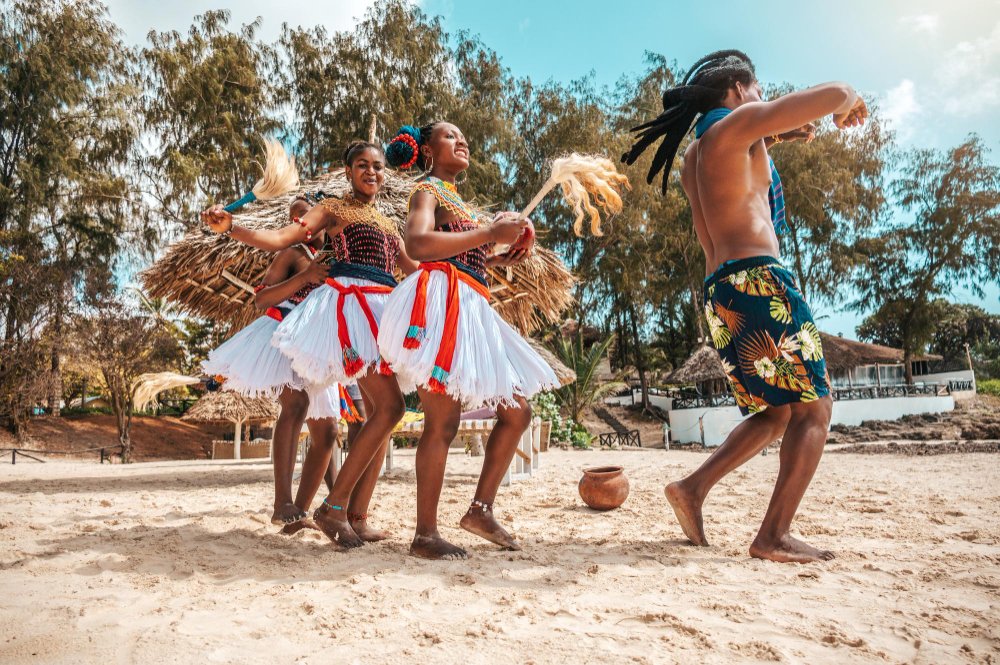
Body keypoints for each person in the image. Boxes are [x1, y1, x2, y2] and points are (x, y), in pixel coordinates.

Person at [622, 50, 867, 563]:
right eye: (758, 91)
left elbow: (736, 173)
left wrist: (775, 136)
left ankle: (691, 489)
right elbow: (834, 94)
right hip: (760, 280)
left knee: (776, 412)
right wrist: (849, 99)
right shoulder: (738, 124)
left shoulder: (698, 153)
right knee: (816, 408)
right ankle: (773, 536)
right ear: (737, 89)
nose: (761, 100)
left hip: (723, 291)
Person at [202, 142, 414, 547]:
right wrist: (232, 226)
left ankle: (355, 514)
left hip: (382, 314)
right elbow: (280, 237)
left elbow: (418, 270)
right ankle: (330, 508)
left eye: (378, 167)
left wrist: (483, 260)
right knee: (387, 408)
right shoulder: (333, 209)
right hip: (352, 310)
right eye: (362, 165)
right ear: (348, 170)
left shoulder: (389, 225)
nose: (371, 172)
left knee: (380, 415)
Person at [379, 121, 559, 560]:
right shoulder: (428, 191)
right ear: (426, 150)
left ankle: (480, 510)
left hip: (472, 306)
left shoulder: (460, 203)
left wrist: (501, 254)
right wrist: (486, 235)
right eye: (449, 135)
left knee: (518, 412)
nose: (462, 140)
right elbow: (418, 244)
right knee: (443, 423)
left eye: (465, 136)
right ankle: (425, 534)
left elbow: (465, 255)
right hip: (443, 306)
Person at [202, 197, 339, 530]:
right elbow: (261, 298)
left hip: (313, 344)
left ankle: (302, 512)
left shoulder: (334, 255)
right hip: (279, 335)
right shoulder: (290, 255)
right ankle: (282, 502)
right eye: (298, 215)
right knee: (295, 405)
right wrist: (305, 276)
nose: (303, 219)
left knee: (328, 432)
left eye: (308, 214)